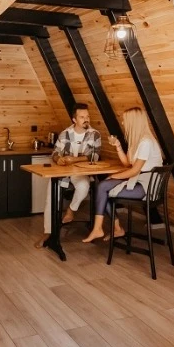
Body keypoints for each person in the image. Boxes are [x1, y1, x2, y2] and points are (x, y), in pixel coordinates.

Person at [83, 106, 163, 243]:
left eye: (124, 120)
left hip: (147, 188)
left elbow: (134, 170)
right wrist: (118, 146)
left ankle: (105, 228)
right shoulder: (138, 141)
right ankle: (108, 229)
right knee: (102, 188)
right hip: (138, 181)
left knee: (103, 189)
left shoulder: (146, 142)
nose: (122, 123)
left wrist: (113, 177)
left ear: (133, 122)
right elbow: (127, 164)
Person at [40, 103, 102, 243]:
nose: (86, 119)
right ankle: (48, 232)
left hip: (81, 172)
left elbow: (95, 156)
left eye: (87, 116)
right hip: (63, 171)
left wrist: (74, 159)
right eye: (82, 117)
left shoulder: (94, 134)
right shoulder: (65, 134)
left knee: (84, 186)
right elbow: (55, 152)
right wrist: (58, 159)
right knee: (51, 197)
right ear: (74, 119)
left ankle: (71, 210)